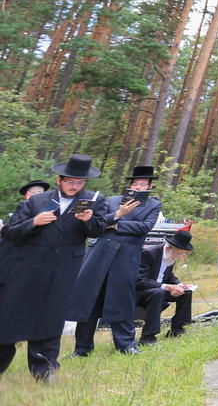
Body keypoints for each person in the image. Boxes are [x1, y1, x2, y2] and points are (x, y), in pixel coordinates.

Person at [0, 154, 106, 379]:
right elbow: (10, 233)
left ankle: (44, 370)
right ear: (59, 179)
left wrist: (89, 220)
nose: (74, 186)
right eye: (69, 181)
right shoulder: (36, 202)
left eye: (79, 182)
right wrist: (33, 222)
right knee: (11, 316)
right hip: (27, 269)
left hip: (64, 270)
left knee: (50, 318)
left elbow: (98, 231)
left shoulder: (94, 201)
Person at [69, 164, 163, 357]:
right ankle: (82, 348)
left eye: (143, 184)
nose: (138, 187)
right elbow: (99, 224)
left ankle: (126, 344)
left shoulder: (154, 205)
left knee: (122, 299)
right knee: (90, 300)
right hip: (99, 254)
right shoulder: (111, 201)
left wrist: (115, 223)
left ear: (150, 187)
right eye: (135, 184)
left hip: (127, 256)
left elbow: (144, 227)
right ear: (129, 185)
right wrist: (115, 218)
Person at [135, 229, 194, 345]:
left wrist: (179, 285)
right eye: (178, 253)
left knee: (186, 293)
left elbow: (168, 275)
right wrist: (168, 287)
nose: (179, 256)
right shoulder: (149, 253)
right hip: (141, 292)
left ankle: (177, 329)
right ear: (168, 248)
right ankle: (148, 337)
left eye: (182, 254)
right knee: (158, 293)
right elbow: (140, 280)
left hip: (158, 289)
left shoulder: (171, 257)